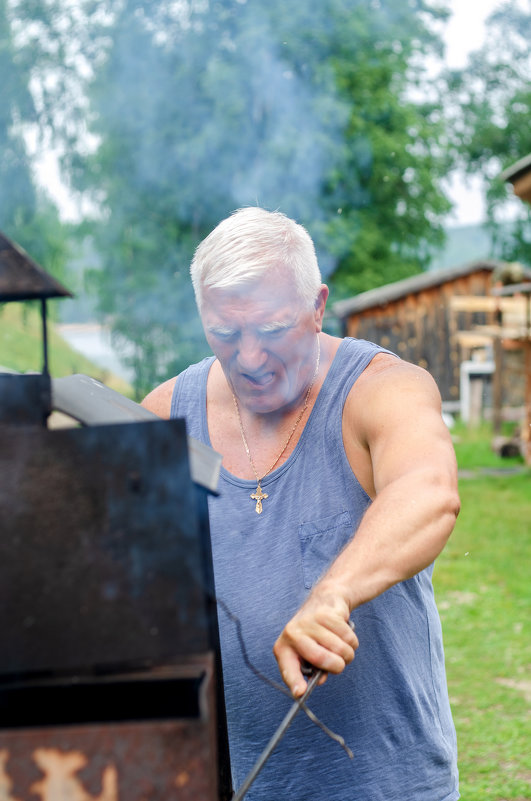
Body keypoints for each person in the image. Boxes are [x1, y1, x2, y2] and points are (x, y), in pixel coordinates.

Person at [142, 207, 461, 801]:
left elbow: (429, 491)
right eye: (225, 334)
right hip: (225, 783)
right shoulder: (165, 416)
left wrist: (333, 593)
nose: (250, 359)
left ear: (317, 307)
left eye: (271, 329)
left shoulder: (381, 389)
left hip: (386, 786)